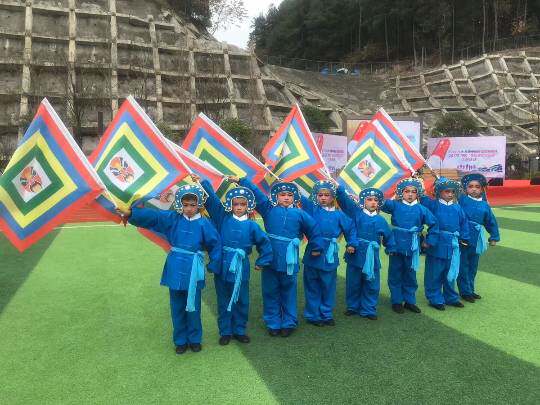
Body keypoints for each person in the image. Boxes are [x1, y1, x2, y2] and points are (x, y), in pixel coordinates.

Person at [117, 184, 221, 354]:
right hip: (175, 266)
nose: (189, 208)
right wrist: (132, 213)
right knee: (176, 306)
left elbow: (215, 244)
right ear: (180, 204)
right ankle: (180, 340)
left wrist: (215, 263)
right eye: (185, 205)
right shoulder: (173, 218)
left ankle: (195, 339)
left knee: (194, 306)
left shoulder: (205, 223)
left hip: (193, 268)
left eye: (192, 205)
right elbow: (154, 217)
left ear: (199, 205)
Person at [232, 176, 323, 337]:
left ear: (295, 197)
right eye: (282, 195)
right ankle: (273, 322)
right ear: (276, 196)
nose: (286, 197)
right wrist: (242, 181)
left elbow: (314, 229)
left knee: (289, 291)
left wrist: (316, 246)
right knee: (270, 291)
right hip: (270, 259)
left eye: (289, 195)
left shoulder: (300, 214)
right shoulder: (269, 209)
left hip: (290, 260)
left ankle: (289, 322)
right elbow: (258, 194)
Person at [195, 174, 273, 345]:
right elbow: (212, 200)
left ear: (248, 205)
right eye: (235, 204)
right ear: (230, 204)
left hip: (241, 266)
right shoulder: (222, 217)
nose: (238, 207)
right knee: (223, 299)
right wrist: (201, 183)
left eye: (242, 204)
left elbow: (264, 242)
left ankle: (239, 330)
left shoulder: (252, 225)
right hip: (222, 264)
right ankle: (225, 331)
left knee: (241, 299)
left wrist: (262, 260)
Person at [299, 180, 357, 326]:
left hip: (329, 255)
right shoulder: (312, 210)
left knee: (328, 285)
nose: (323, 198)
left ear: (333, 197)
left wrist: (351, 243)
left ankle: (326, 314)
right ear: (316, 196)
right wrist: (293, 189)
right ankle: (313, 315)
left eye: (327, 195)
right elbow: (301, 199)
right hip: (312, 252)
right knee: (312, 285)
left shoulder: (339, 215)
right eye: (320, 195)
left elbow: (350, 228)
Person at [336, 186, 395, 320]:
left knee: (371, 284)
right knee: (353, 282)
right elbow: (345, 202)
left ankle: (369, 309)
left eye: (376, 200)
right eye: (369, 199)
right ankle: (352, 306)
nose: (373, 202)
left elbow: (388, 235)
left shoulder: (381, 220)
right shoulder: (356, 213)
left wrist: (391, 247)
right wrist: (340, 190)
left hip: (372, 257)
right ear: (363, 201)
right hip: (355, 254)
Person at [380, 178, 438, 314]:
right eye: (407, 191)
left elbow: (434, 224)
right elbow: (380, 202)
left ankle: (409, 301)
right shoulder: (394, 205)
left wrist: (429, 240)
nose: (410, 194)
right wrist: (384, 191)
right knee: (395, 273)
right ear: (401, 192)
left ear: (418, 193)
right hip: (396, 245)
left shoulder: (422, 209)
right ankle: (396, 301)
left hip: (413, 246)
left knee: (411, 273)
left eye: (413, 191)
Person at [421, 177, 471, 310]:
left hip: (453, 244)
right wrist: (420, 184)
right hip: (436, 243)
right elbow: (423, 199)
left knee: (451, 271)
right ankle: (434, 298)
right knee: (434, 272)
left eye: (452, 192)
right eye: (446, 191)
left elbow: (464, 223)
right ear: (439, 192)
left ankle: (451, 297)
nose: (450, 194)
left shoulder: (458, 207)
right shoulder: (433, 205)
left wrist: (465, 238)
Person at [457, 173, 500, 301]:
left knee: (473, 266)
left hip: (477, 239)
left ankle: (471, 289)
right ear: (465, 189)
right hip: (463, 237)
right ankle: (465, 291)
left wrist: (494, 236)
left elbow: (490, 221)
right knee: (463, 265)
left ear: (482, 189)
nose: (474, 189)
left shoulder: (485, 205)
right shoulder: (462, 200)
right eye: (470, 186)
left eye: (477, 187)